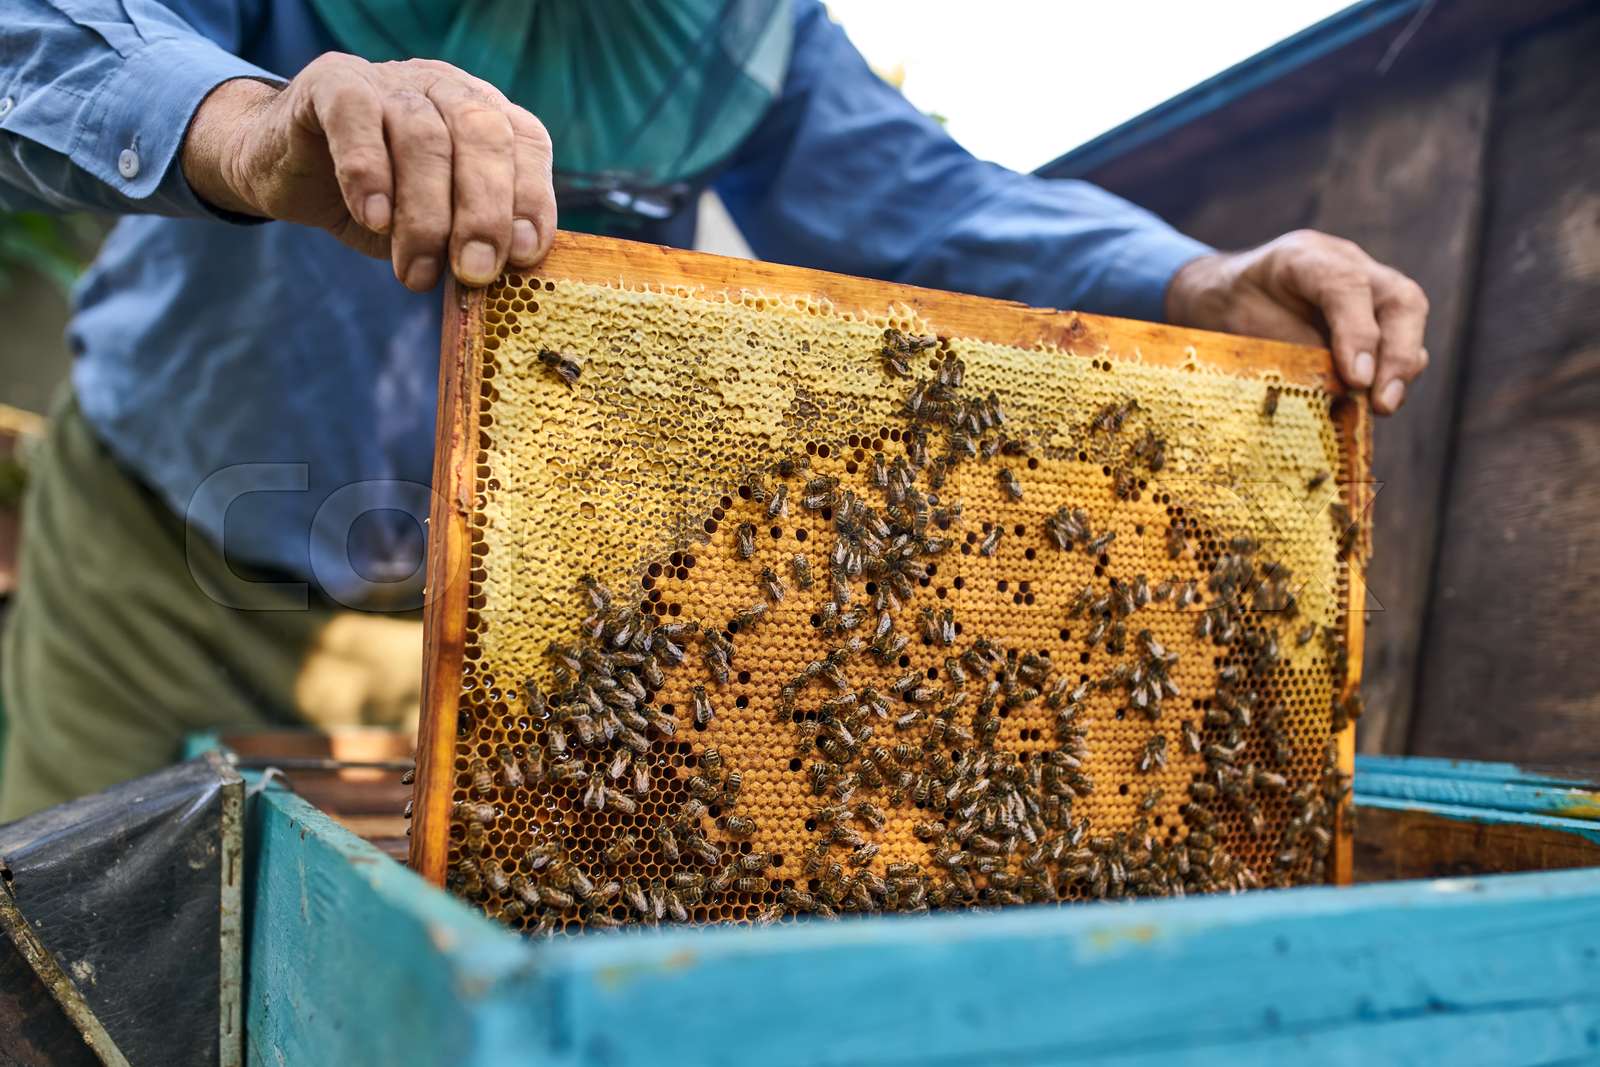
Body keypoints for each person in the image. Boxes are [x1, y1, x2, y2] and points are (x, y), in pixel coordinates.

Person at [0, 0, 1429, 821]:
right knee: (83, 942)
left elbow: (917, 194)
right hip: (166, 566)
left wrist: (1190, 277)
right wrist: (244, 125)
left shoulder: (753, 34)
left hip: (493, 625)